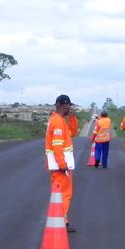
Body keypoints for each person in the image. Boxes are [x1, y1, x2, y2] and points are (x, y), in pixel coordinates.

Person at [45, 95, 79, 232]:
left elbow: (73, 132)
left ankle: (61, 220)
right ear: (60, 105)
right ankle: (61, 222)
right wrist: (62, 164)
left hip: (60, 164)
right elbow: (57, 145)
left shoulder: (60, 120)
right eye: (68, 105)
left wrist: (72, 118)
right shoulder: (58, 122)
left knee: (62, 194)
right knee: (64, 194)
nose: (69, 108)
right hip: (60, 165)